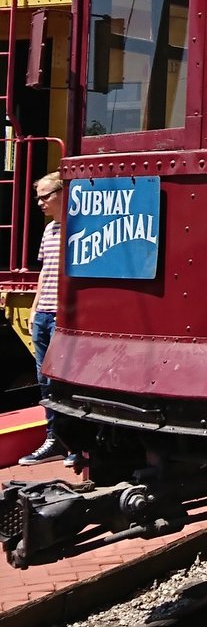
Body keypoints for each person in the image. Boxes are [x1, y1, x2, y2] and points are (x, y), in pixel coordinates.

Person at [18, 172, 68, 465]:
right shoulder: (50, 230)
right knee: (45, 380)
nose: (40, 202)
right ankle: (54, 438)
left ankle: (70, 441)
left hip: (63, 316)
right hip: (44, 314)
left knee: (63, 381)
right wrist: (36, 307)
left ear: (63, 193)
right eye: (38, 196)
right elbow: (45, 271)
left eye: (45, 196)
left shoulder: (78, 227)